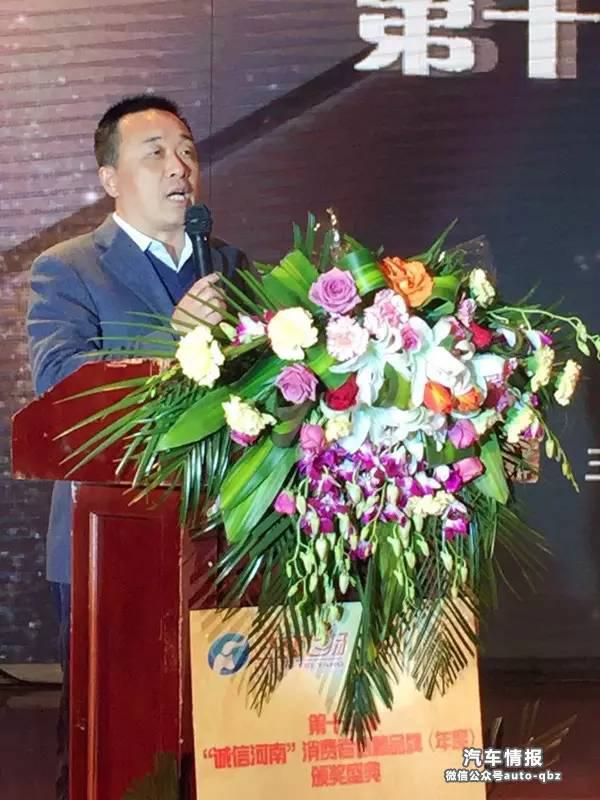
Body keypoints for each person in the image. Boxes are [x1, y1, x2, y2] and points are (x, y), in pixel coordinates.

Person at [26, 94, 247, 800]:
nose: (179, 167)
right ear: (109, 178)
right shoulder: (68, 268)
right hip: (108, 547)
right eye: (155, 153)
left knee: (219, 738)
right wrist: (174, 340)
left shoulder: (232, 265)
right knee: (113, 748)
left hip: (225, 543)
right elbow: (61, 386)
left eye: (186, 151)